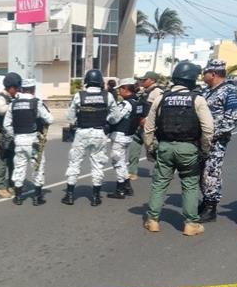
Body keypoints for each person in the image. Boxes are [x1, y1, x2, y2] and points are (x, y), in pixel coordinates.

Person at [143, 61, 214, 236]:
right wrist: (204, 149)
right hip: (189, 148)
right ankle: (191, 224)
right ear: (191, 80)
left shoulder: (160, 98)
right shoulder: (197, 99)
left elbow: (148, 128)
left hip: (165, 147)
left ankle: (152, 220)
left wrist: (150, 148)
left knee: (159, 183)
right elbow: (208, 129)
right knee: (189, 185)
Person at [60, 69, 121, 206]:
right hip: (99, 133)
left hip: (82, 133)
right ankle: (95, 197)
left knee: (75, 163)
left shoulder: (79, 95)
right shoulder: (108, 96)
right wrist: (106, 119)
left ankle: (69, 195)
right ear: (100, 82)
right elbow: (116, 117)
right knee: (98, 164)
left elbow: (70, 117)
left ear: (86, 81)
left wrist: (77, 118)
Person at [198, 59, 237, 222]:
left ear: (214, 74)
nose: (203, 76)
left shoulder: (229, 91)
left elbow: (233, 119)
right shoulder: (207, 91)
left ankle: (211, 207)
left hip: (216, 141)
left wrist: (211, 135)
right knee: (201, 172)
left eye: (205, 73)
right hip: (202, 140)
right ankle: (205, 200)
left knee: (211, 172)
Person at [3, 78, 54, 205]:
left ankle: (18, 197)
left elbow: (6, 125)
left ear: (22, 89)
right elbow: (50, 119)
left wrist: (15, 136)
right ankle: (37, 198)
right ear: (33, 89)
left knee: (19, 168)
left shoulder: (13, 104)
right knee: (37, 167)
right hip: (34, 140)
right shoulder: (37, 103)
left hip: (19, 140)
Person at [107, 78, 144, 199]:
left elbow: (115, 118)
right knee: (121, 161)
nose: (118, 91)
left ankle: (120, 189)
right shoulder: (137, 102)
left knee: (117, 161)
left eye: (120, 89)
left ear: (125, 89)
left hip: (120, 136)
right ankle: (127, 186)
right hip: (129, 135)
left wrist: (107, 118)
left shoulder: (126, 103)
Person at [128, 71, 164, 180]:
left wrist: (148, 120)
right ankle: (132, 172)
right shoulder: (143, 91)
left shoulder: (158, 92)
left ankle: (163, 171)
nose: (142, 81)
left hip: (150, 127)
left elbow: (160, 109)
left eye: (144, 80)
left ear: (152, 80)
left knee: (154, 150)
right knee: (133, 150)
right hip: (138, 126)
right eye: (141, 80)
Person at [0, 73, 20, 198]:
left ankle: (11, 184)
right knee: (4, 160)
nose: (18, 90)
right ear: (10, 87)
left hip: (14, 133)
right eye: (16, 88)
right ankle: (0, 186)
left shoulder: (12, 98)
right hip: (4, 135)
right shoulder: (0, 98)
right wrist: (15, 104)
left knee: (13, 161)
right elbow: (1, 110)